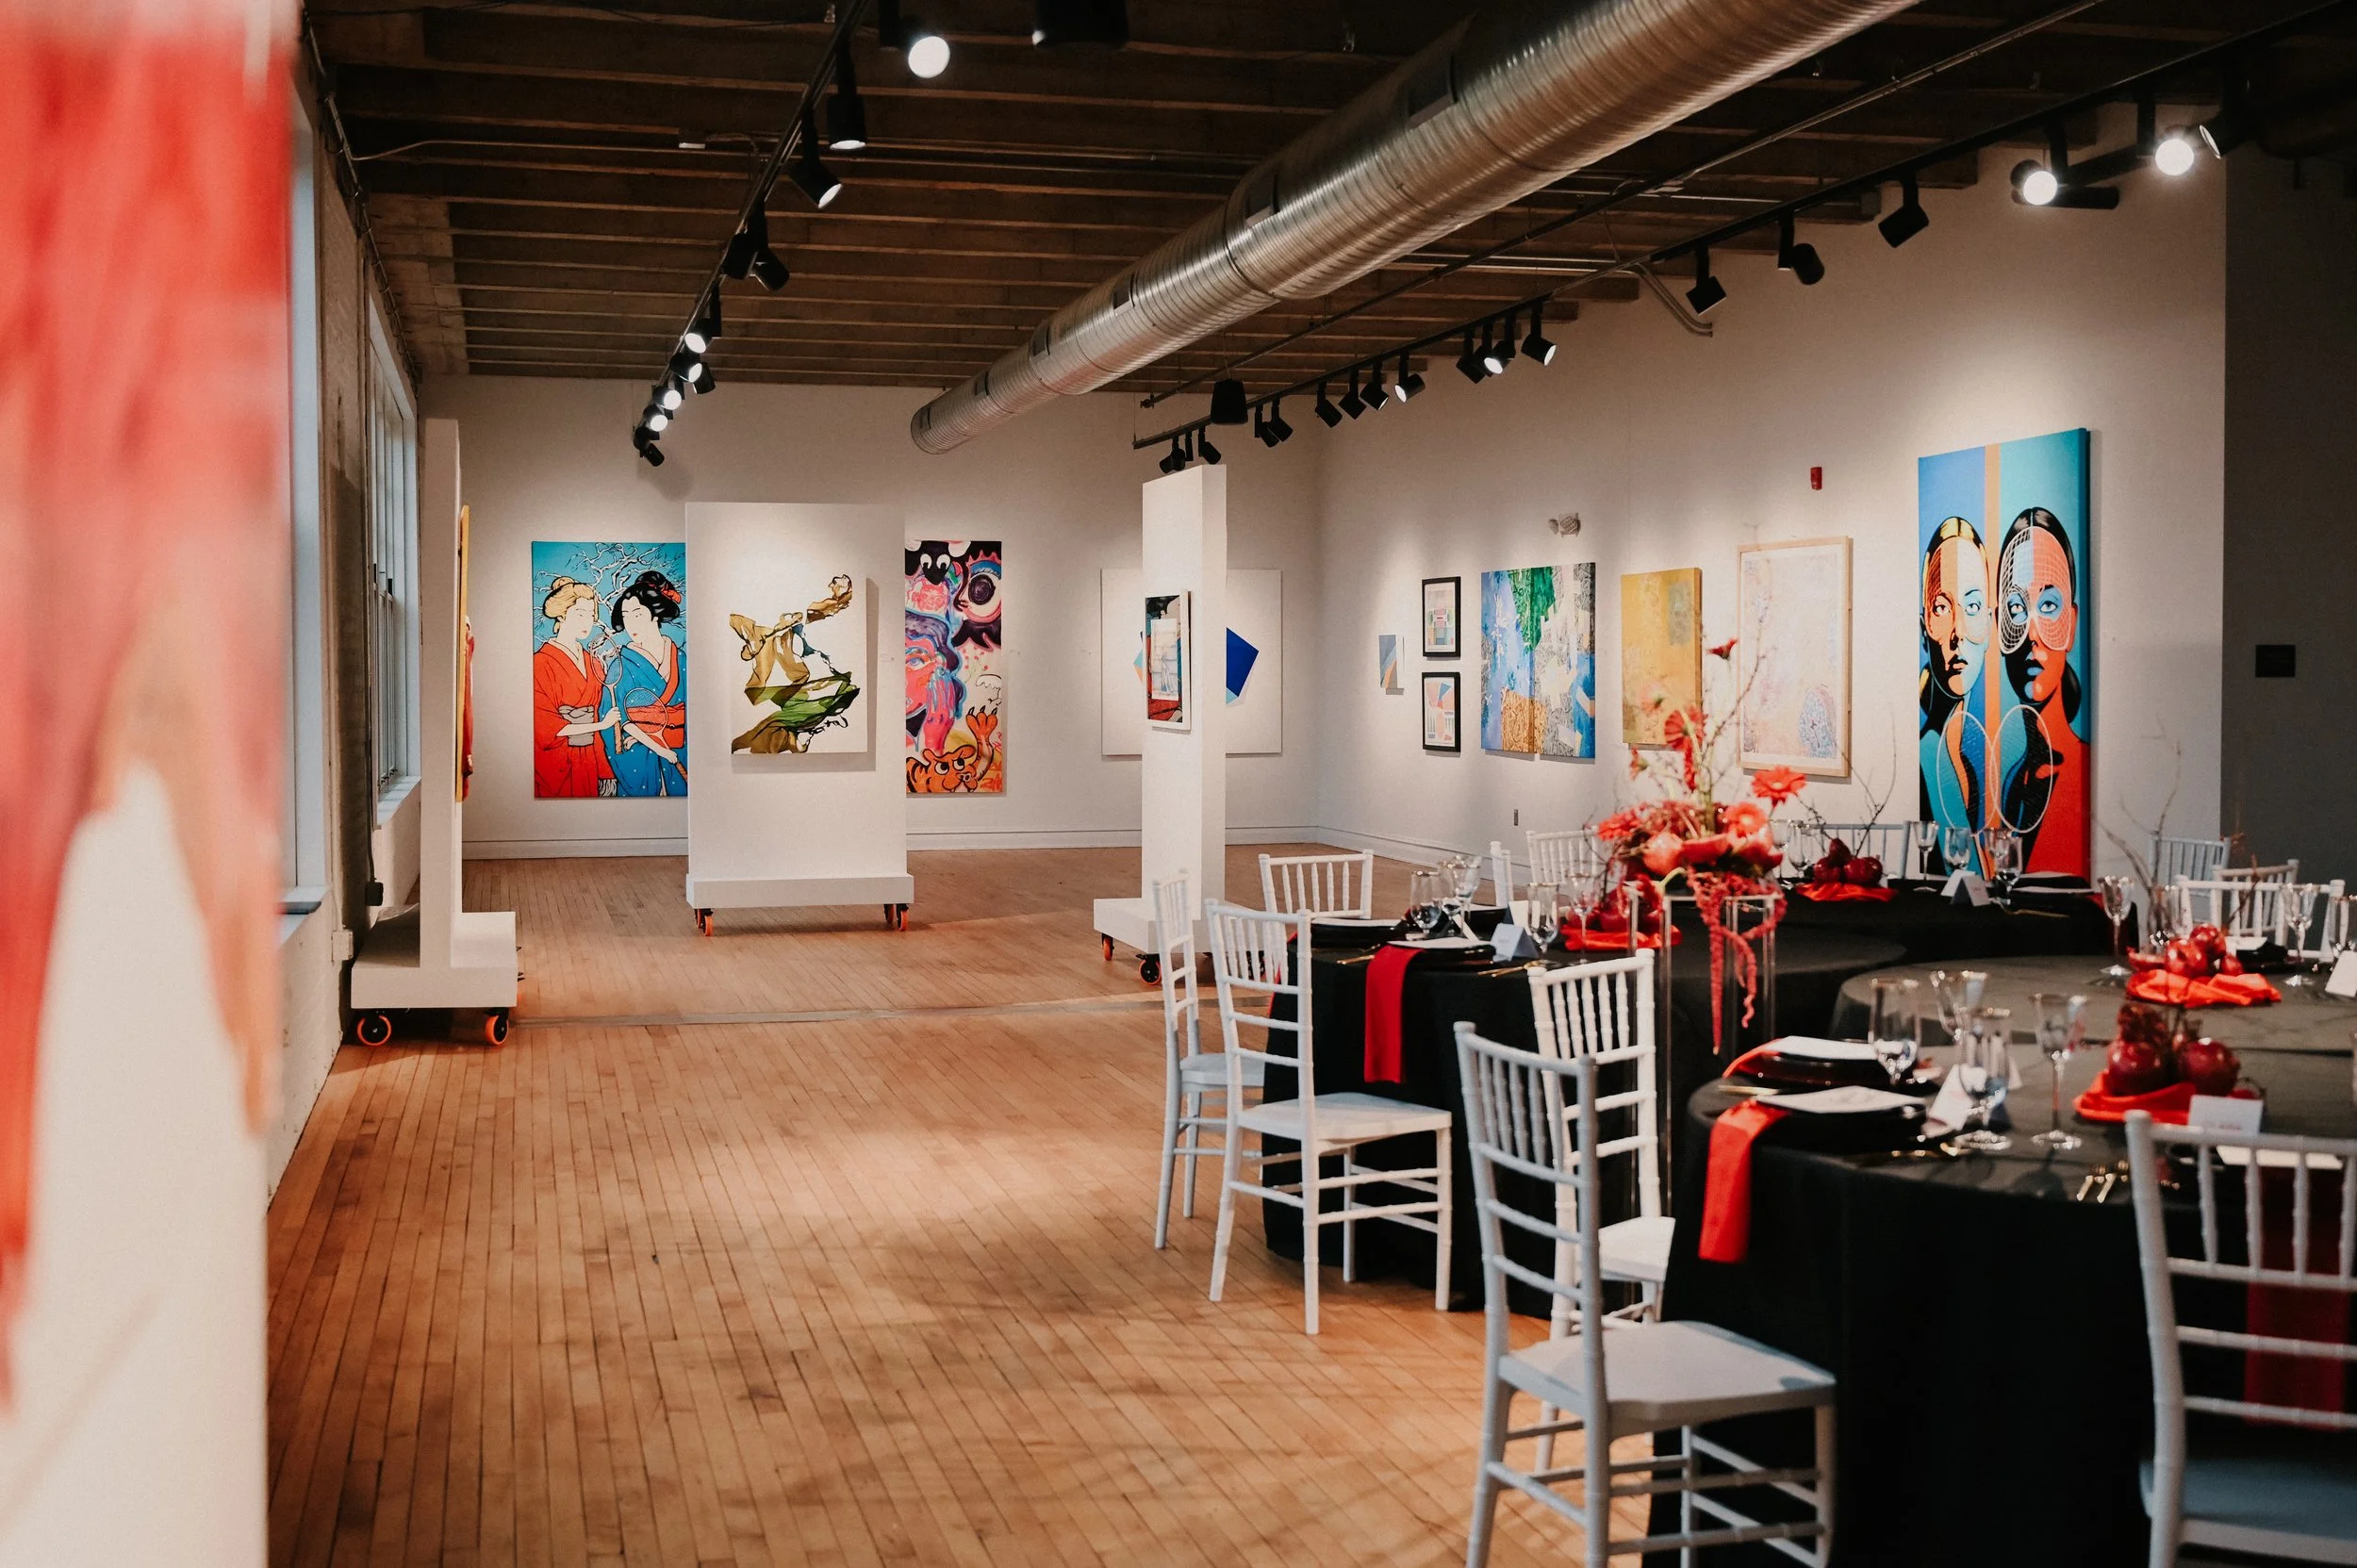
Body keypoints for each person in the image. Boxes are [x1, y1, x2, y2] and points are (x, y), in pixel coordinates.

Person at [1996, 506, 2087, 875]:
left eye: (2048, 606)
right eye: (2016, 609)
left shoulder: (2081, 768)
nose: (2031, 633)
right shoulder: (2012, 779)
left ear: (2072, 624)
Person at [1918, 516, 1990, 857]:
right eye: (1942, 607)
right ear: (1924, 628)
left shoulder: (1981, 759)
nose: (1958, 632)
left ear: (1990, 623)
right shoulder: (1927, 757)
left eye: (1973, 606)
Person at [603, 569, 687, 796]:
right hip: (639, 753)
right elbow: (616, 718)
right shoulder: (620, 665)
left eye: (637, 614)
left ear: (655, 614)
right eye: (626, 616)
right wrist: (657, 747)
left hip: (681, 746)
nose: (631, 623)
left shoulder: (680, 659)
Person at [531, 577, 617, 798]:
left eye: (590, 615)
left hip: (588, 759)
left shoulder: (593, 662)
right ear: (562, 614)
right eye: (580, 614)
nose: (586, 622)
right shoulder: (540, 663)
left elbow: (594, 713)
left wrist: (605, 771)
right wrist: (601, 725)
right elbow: (545, 729)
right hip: (556, 761)